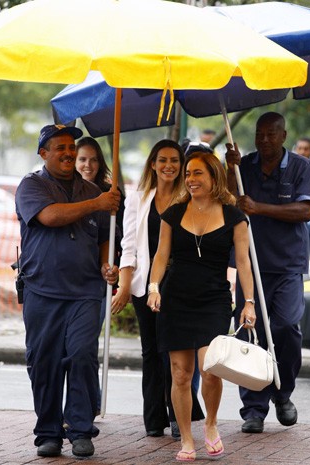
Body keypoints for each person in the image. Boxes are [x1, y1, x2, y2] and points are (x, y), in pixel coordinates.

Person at [15, 124, 121, 458]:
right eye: (59, 147)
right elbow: (50, 216)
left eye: (71, 147)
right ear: (43, 153)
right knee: (44, 361)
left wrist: (107, 264)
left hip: (86, 291)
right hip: (41, 291)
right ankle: (48, 431)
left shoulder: (92, 190)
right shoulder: (31, 186)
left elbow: (105, 236)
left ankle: (79, 429)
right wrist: (97, 203)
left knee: (81, 355)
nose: (68, 153)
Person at [147, 151, 256, 461]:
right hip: (175, 299)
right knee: (180, 374)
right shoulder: (173, 213)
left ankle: (210, 424)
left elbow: (244, 263)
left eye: (197, 174)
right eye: (188, 174)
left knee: (210, 368)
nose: (190, 179)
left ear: (214, 177)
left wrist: (248, 303)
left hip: (214, 300)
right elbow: (160, 256)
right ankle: (185, 438)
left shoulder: (235, 216)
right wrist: (154, 288)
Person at [225, 112, 310, 434]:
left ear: (284, 135)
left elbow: (304, 211)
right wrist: (228, 167)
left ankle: (283, 393)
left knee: (285, 327)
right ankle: (253, 408)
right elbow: (227, 200)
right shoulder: (244, 167)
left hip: (288, 265)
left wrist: (260, 208)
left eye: (271, 134)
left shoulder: (301, 167)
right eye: (259, 134)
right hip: (250, 264)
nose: (264, 140)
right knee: (252, 333)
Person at [110, 140, 204, 439]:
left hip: (181, 285)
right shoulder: (138, 199)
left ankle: (181, 415)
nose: (169, 166)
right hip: (143, 286)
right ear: (152, 163)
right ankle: (153, 418)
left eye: (175, 160)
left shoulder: (189, 198)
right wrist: (124, 285)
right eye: (162, 160)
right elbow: (128, 247)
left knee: (178, 351)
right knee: (152, 352)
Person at [75, 136, 125, 414]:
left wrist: (111, 266)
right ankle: (88, 399)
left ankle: (89, 400)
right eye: (83, 159)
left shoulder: (111, 193)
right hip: (70, 278)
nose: (88, 165)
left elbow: (116, 238)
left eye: (93, 159)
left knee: (87, 341)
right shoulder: (65, 192)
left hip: (98, 280)